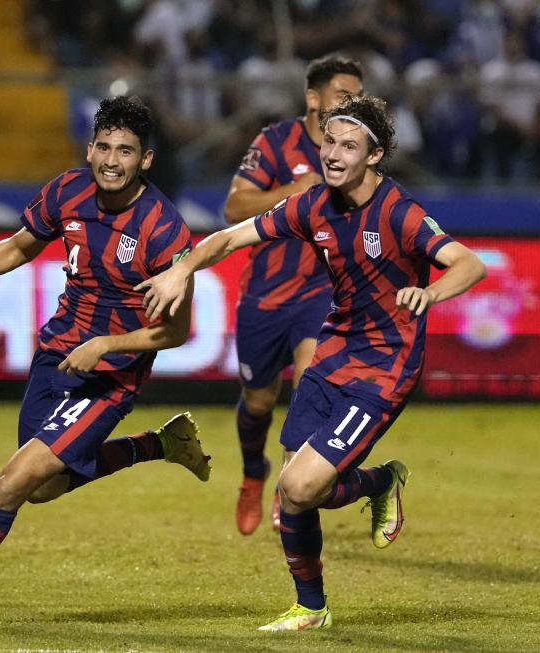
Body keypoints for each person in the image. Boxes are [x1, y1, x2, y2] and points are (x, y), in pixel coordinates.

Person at [137, 95, 486, 630]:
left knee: (299, 488)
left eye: (349, 145)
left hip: (383, 368)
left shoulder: (400, 213)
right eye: (329, 142)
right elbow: (232, 235)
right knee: (296, 488)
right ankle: (314, 603)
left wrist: (432, 295)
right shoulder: (312, 205)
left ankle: (373, 492)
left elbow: (468, 263)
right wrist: (180, 271)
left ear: (376, 155)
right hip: (334, 352)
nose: (334, 153)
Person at [0, 95, 211, 626]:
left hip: (109, 379)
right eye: (103, 147)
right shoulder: (68, 190)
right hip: (56, 357)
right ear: (90, 147)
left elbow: (178, 330)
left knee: (11, 484)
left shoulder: (165, 230)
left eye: (125, 151)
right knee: (45, 487)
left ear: (145, 160)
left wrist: (107, 346)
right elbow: (18, 247)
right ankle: (159, 444)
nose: (111, 161)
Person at [224, 55, 363, 537]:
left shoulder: (351, 151)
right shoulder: (275, 142)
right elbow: (234, 207)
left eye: (357, 98)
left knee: (310, 383)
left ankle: (289, 493)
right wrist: (292, 189)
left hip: (321, 293)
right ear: (313, 98)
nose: (352, 105)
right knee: (259, 401)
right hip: (265, 295)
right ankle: (252, 472)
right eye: (344, 95)